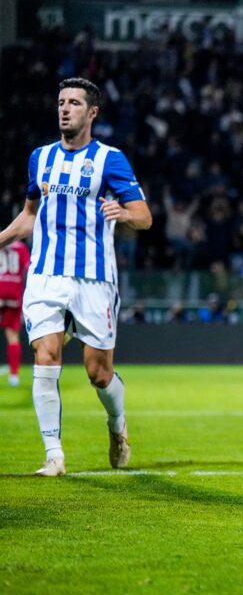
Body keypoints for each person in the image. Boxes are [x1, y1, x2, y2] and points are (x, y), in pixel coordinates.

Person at [0, 77, 152, 476]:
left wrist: (124, 214)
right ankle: (54, 455)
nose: (64, 108)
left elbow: (145, 216)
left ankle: (117, 426)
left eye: (74, 103)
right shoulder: (40, 157)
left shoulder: (110, 160)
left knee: (97, 374)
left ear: (92, 112)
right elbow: (30, 215)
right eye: (61, 102)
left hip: (94, 278)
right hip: (46, 274)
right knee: (45, 357)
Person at [0, 240, 30, 387]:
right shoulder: (20, 247)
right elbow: (28, 267)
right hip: (13, 293)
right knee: (12, 336)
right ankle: (13, 376)